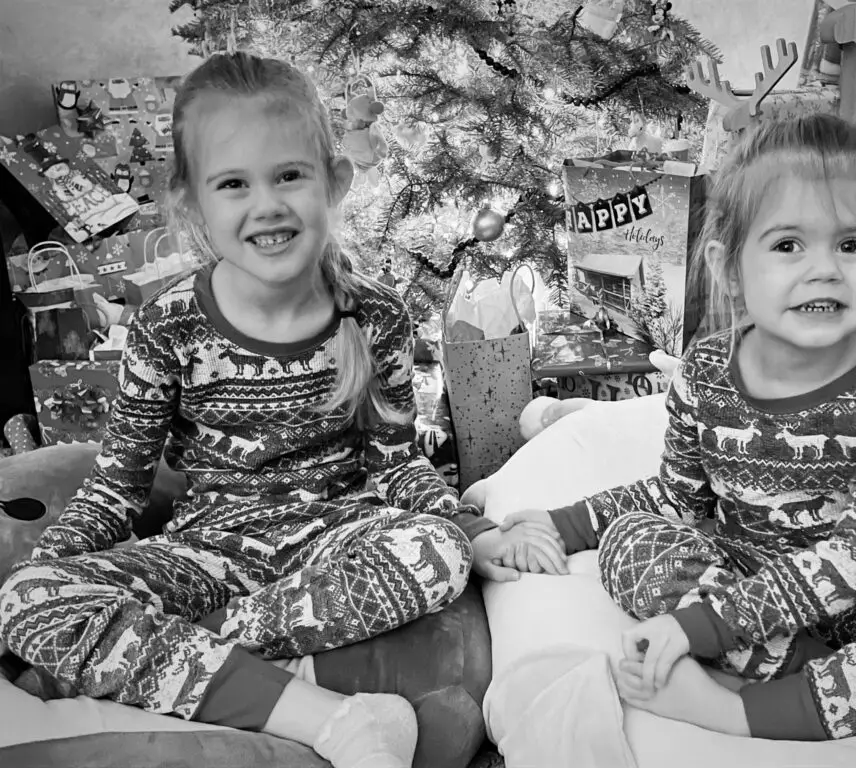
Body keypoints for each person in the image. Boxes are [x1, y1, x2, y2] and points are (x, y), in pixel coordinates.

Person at [0, 52, 566, 768]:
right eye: (233, 184)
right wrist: (44, 570)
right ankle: (330, 718)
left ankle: (182, 658)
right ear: (192, 202)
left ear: (334, 182)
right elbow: (117, 488)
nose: (265, 205)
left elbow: (398, 465)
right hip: (209, 549)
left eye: (289, 176)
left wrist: (473, 528)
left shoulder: (377, 318)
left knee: (440, 555)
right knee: (27, 600)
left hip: (338, 546)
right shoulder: (167, 328)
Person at [500, 113, 856, 743]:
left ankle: (740, 709)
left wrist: (704, 629)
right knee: (635, 544)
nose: (824, 270)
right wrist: (557, 523)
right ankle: (844, 691)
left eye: (852, 245)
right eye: (787, 245)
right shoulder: (706, 371)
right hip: (741, 572)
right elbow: (676, 498)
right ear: (729, 267)